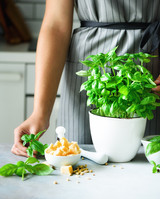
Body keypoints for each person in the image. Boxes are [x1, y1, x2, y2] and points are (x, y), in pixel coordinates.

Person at [11, 0, 160, 157]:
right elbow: (56, 25)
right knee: (78, 165)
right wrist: (39, 113)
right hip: (87, 73)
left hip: (152, 70)